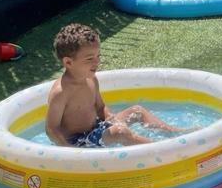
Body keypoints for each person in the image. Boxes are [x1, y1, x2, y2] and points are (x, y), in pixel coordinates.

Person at [45, 23, 185, 147]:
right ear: (68, 62)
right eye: (89, 59)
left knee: (137, 111)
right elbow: (51, 129)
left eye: (98, 56)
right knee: (120, 132)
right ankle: (161, 148)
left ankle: (175, 133)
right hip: (80, 141)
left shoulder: (91, 79)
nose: (96, 62)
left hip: (96, 128)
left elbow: (100, 107)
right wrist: (70, 151)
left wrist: (110, 117)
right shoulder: (61, 92)